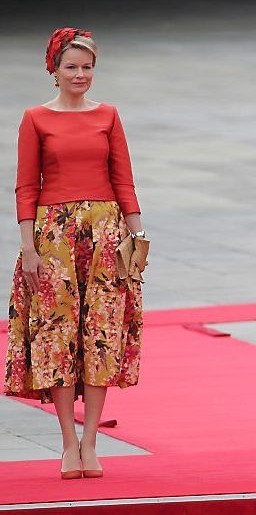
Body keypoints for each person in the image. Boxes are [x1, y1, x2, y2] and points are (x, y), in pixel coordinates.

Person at [5, 28, 146, 479]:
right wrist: (28, 247)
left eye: (87, 67)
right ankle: (68, 443)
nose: (80, 75)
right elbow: (27, 187)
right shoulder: (35, 118)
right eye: (72, 67)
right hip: (54, 240)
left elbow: (124, 179)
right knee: (57, 338)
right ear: (55, 70)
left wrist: (137, 236)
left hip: (105, 235)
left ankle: (91, 441)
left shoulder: (108, 115)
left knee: (102, 334)